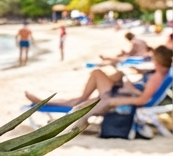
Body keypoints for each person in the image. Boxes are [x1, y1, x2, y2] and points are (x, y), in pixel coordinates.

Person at [27, 46, 171, 121]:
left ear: (157, 59)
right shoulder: (162, 73)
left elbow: (143, 99)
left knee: (95, 76)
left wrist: (118, 97)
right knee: (84, 100)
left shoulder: (157, 77)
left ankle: (46, 103)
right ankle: (46, 103)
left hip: (120, 94)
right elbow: (147, 93)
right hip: (125, 91)